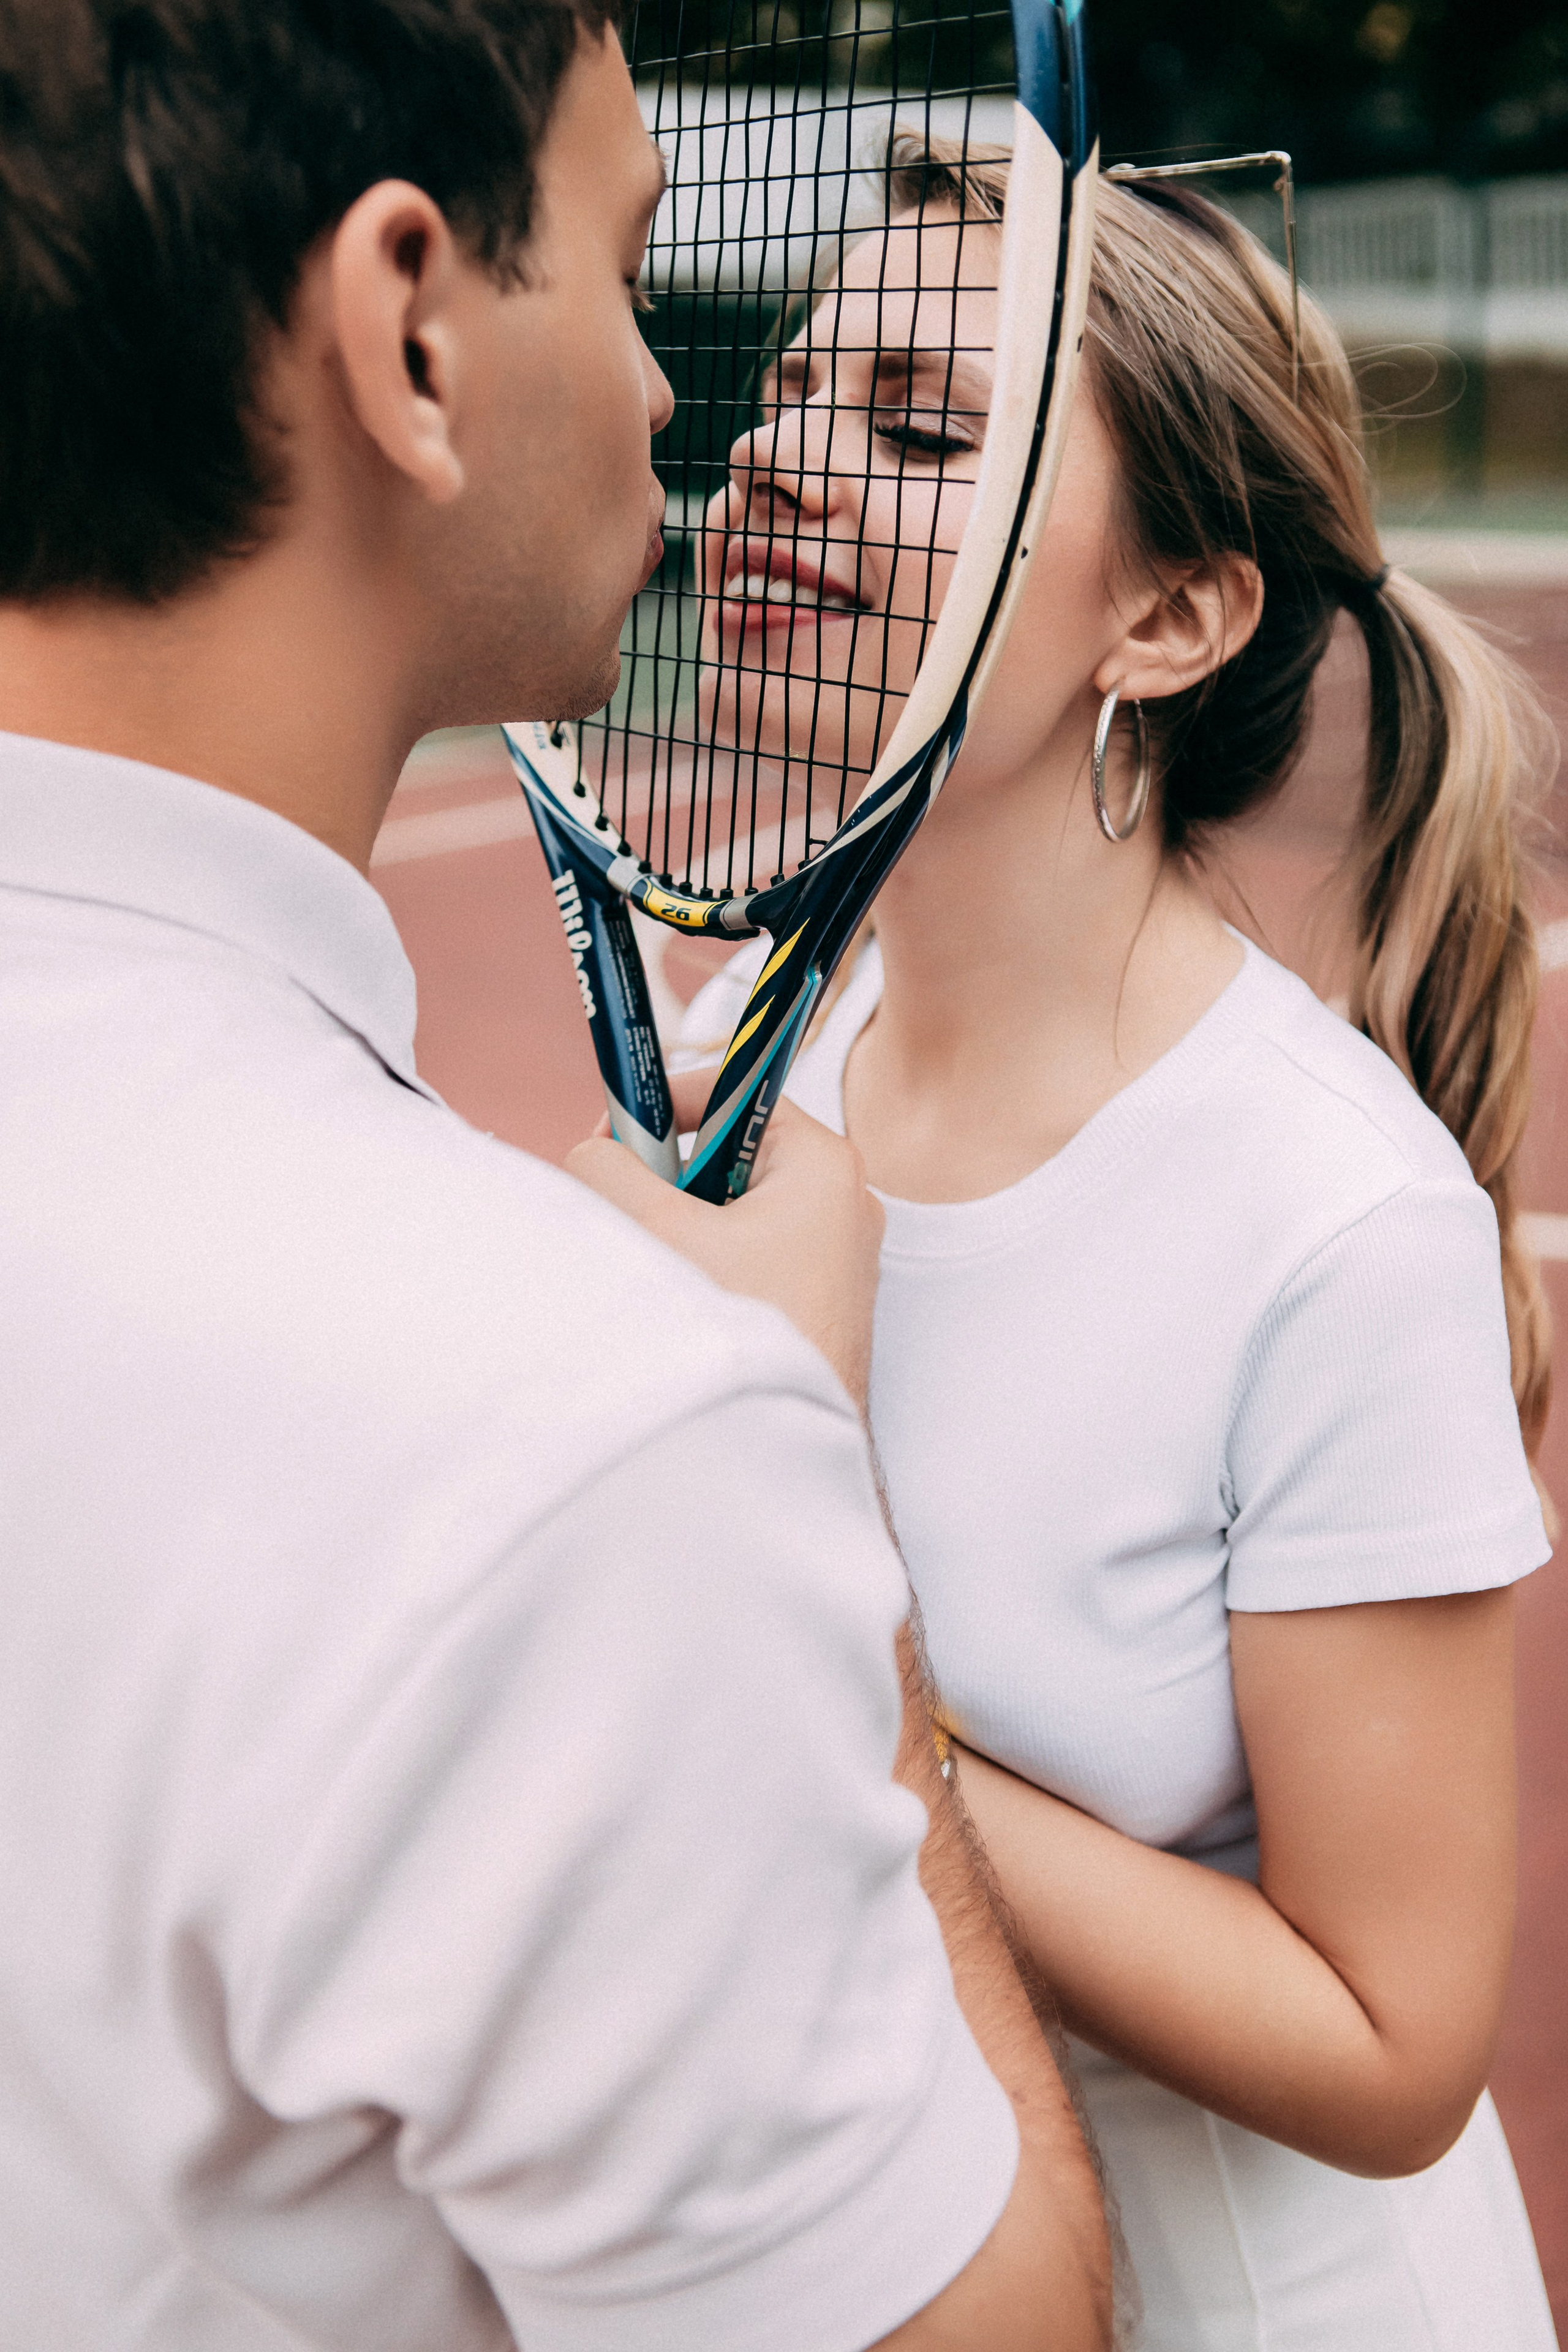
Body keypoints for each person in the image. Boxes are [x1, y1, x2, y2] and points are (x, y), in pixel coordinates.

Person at [0, 12, 1114, 2347]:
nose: (673, 406)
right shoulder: (595, 1445)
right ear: (411, 328)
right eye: (629, 278)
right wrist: (837, 1541)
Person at [678, 149, 1559, 2348]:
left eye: (915, 430)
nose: (784, 466)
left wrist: (842, 1695)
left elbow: (1388, 2051)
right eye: (788, 394)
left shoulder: (1333, 1226)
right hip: (872, 2261)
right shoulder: (745, 1041)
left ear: (1170, 618)